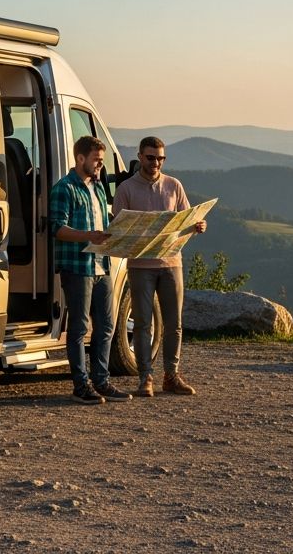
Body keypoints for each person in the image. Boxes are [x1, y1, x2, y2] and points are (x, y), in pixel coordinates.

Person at [112, 136, 206, 397]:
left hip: (171, 263)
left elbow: (187, 220)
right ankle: (145, 377)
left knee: (174, 324)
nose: (156, 163)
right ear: (140, 157)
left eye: (161, 158)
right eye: (151, 157)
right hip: (140, 266)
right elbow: (118, 229)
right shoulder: (126, 189)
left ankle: (171, 376)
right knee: (143, 323)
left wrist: (198, 226)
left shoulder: (174, 185)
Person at [50, 135, 132, 404]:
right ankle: (80, 385)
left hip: (101, 265)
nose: (100, 165)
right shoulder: (64, 188)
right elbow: (57, 229)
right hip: (77, 266)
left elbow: (103, 222)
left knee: (106, 325)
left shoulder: (98, 188)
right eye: (96, 160)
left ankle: (101, 381)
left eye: (101, 161)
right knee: (78, 327)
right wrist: (89, 236)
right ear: (80, 158)